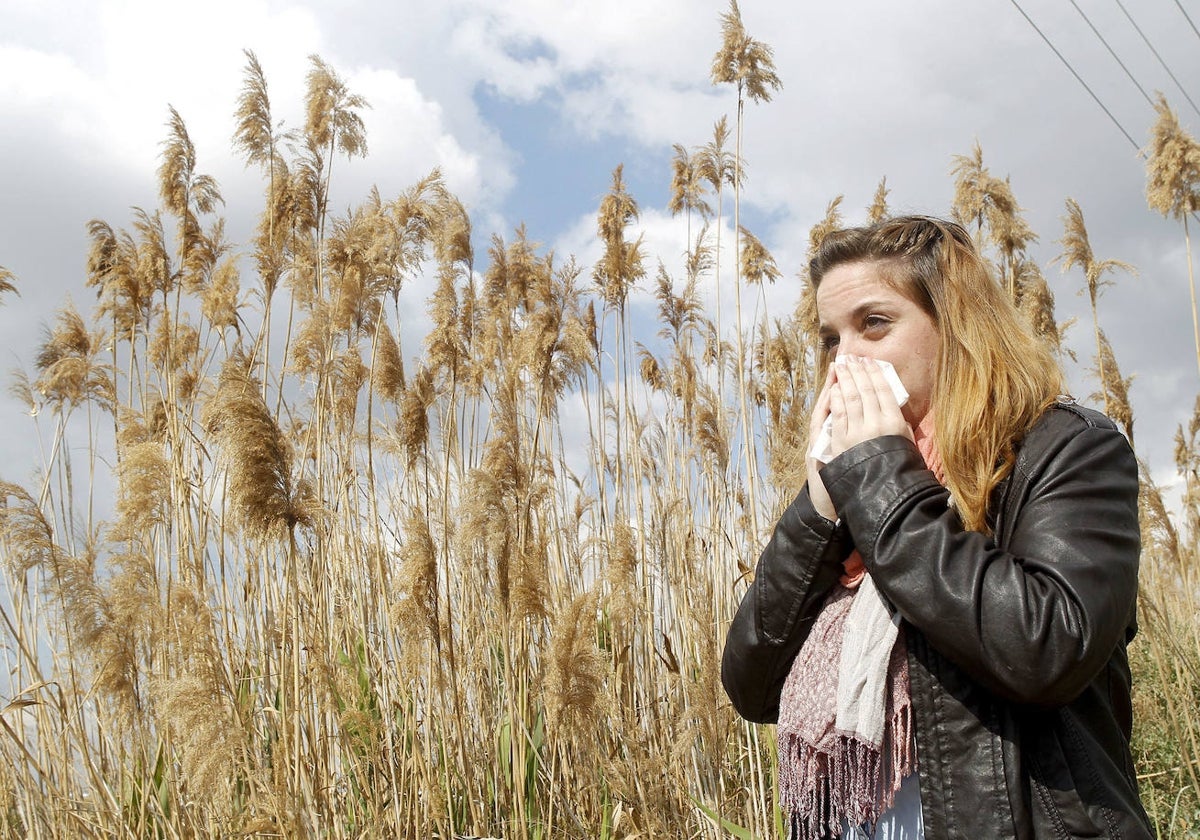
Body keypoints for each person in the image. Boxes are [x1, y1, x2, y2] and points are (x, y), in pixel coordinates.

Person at [721, 216, 1154, 839]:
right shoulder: (857, 491)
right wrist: (819, 506)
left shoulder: (1064, 450)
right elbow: (752, 686)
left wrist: (879, 481)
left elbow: (1048, 648)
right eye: (829, 338)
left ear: (954, 327)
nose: (845, 359)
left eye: (873, 323)